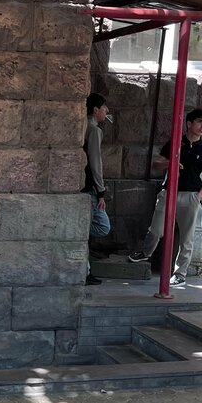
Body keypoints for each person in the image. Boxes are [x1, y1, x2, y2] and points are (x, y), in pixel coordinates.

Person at [128, 107, 202, 286]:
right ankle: (146, 252)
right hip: (169, 192)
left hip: (191, 195)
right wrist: (170, 163)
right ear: (189, 123)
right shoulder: (175, 143)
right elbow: (156, 165)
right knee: (156, 229)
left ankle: (180, 273)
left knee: (187, 238)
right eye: (200, 121)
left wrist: (199, 196)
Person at [82, 93, 112, 286]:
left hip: (84, 185)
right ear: (95, 109)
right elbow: (95, 163)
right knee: (102, 226)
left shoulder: (84, 126)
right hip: (90, 186)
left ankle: (86, 270)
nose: (106, 110)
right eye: (104, 107)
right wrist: (101, 191)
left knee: (87, 230)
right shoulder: (93, 130)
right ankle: (85, 271)